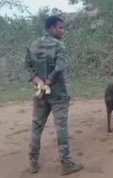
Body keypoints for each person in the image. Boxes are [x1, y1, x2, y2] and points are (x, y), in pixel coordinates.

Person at [24, 16, 83, 175]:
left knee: (37, 127)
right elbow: (59, 68)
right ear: (51, 28)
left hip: (40, 93)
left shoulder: (33, 45)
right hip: (58, 93)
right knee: (61, 127)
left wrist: (39, 83)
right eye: (60, 28)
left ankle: (33, 162)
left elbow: (28, 67)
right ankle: (66, 163)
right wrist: (48, 83)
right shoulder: (59, 46)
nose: (63, 31)